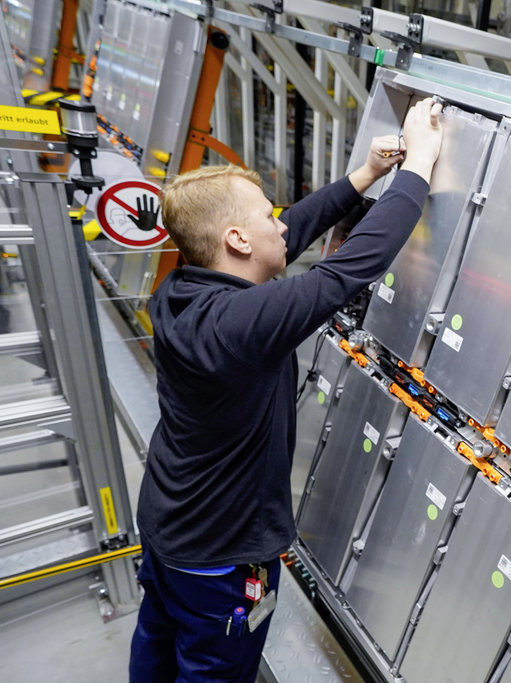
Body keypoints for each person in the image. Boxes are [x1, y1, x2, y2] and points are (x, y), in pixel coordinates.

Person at [129, 97, 444, 683]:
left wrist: (365, 177)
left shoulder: (182, 291)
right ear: (235, 240)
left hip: (169, 530)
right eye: (266, 215)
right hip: (220, 560)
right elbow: (348, 270)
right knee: (213, 671)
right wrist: (420, 165)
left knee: (156, 644)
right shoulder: (239, 325)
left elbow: (285, 239)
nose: (282, 221)